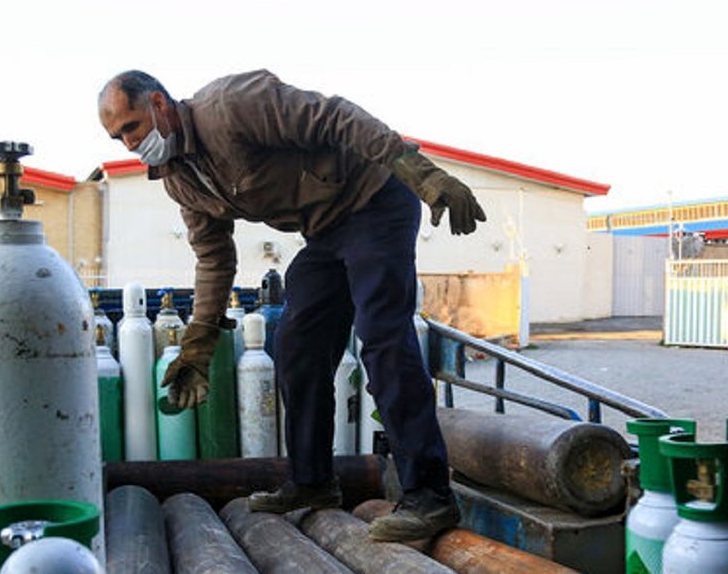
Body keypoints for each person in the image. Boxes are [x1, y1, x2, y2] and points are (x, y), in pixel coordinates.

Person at [97, 69, 486, 541]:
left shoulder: (231, 106)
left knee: (382, 337)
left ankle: (429, 496)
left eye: (131, 127)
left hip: (374, 200)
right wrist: (197, 347)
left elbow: (335, 117)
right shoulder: (180, 180)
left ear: (158, 104)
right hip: (325, 230)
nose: (129, 144)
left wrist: (420, 172)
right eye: (117, 137)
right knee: (298, 344)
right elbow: (214, 258)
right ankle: (313, 481)